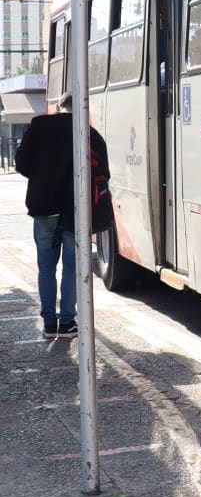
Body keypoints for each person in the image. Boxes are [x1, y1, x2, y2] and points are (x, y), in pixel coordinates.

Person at [15, 93, 109, 339]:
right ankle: (67, 321)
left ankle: (48, 322)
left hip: (44, 207)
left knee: (46, 265)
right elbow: (104, 173)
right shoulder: (89, 133)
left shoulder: (39, 126)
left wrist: (42, 178)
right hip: (74, 210)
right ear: (81, 110)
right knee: (72, 266)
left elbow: (21, 163)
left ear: (59, 107)